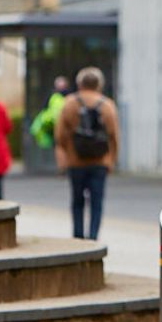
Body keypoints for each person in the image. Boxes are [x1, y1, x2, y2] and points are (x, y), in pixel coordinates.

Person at [54, 67, 118, 239]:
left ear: (79, 84)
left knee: (77, 201)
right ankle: (94, 236)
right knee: (97, 202)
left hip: (76, 161)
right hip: (100, 162)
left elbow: (60, 136)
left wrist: (63, 159)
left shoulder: (69, 103)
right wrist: (111, 160)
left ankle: (78, 236)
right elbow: (113, 136)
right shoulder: (107, 105)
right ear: (99, 85)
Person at [31, 75, 72, 149]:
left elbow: (44, 109)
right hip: (61, 127)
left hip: (53, 126)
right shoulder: (70, 97)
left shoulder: (53, 95)